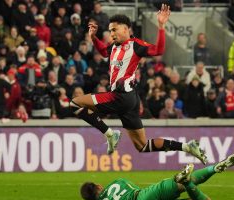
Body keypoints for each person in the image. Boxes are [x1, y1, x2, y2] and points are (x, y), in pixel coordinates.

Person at [70, 4, 207, 164]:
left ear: (126, 29)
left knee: (75, 104)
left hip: (120, 96)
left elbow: (158, 50)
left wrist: (161, 26)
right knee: (142, 145)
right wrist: (94, 38)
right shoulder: (114, 47)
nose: (111, 33)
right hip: (130, 100)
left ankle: (109, 133)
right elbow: (103, 51)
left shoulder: (135, 45)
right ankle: (187, 147)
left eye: (114, 30)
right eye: (110, 30)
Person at [81, 153, 234, 200]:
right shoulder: (117, 182)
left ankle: (188, 183)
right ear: (98, 186)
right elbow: (132, 188)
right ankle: (214, 168)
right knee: (179, 184)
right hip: (143, 195)